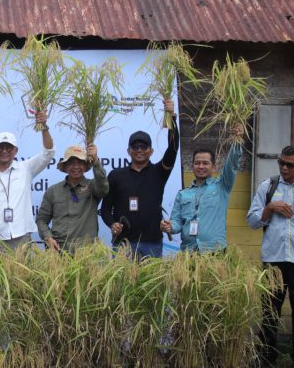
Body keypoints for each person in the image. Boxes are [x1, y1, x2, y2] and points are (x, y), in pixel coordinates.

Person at [246, 145, 294, 367]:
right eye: (281, 162)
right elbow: (252, 221)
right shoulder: (268, 186)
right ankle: (266, 355)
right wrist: (270, 207)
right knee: (269, 312)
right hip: (273, 260)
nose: (283, 167)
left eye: (289, 164)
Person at [100, 99, 179, 258]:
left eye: (144, 147)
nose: (139, 150)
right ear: (128, 151)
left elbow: (173, 148)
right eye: (135, 147)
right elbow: (105, 209)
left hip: (152, 243)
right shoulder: (116, 175)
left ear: (151, 150)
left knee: (150, 283)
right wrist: (112, 224)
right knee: (122, 283)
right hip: (123, 244)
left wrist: (171, 119)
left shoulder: (159, 171)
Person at [0, 112, 54, 251]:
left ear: (16, 151)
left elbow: (48, 153)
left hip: (21, 238)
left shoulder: (26, 168)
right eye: (0, 147)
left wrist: (44, 127)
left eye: (9, 147)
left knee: (22, 274)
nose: (4, 151)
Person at [160, 127, 243, 252]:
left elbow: (232, 164)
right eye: (197, 163)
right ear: (192, 166)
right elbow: (176, 222)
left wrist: (236, 141)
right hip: (189, 252)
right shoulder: (183, 194)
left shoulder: (222, 186)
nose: (201, 166)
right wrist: (170, 226)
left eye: (205, 163)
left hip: (214, 251)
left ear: (214, 167)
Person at [36, 143, 108, 254]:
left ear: (85, 166)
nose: (76, 167)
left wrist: (96, 161)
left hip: (87, 252)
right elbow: (41, 220)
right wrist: (48, 238)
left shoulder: (93, 187)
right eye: (71, 163)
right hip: (59, 251)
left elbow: (104, 187)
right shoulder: (53, 191)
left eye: (80, 163)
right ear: (65, 166)